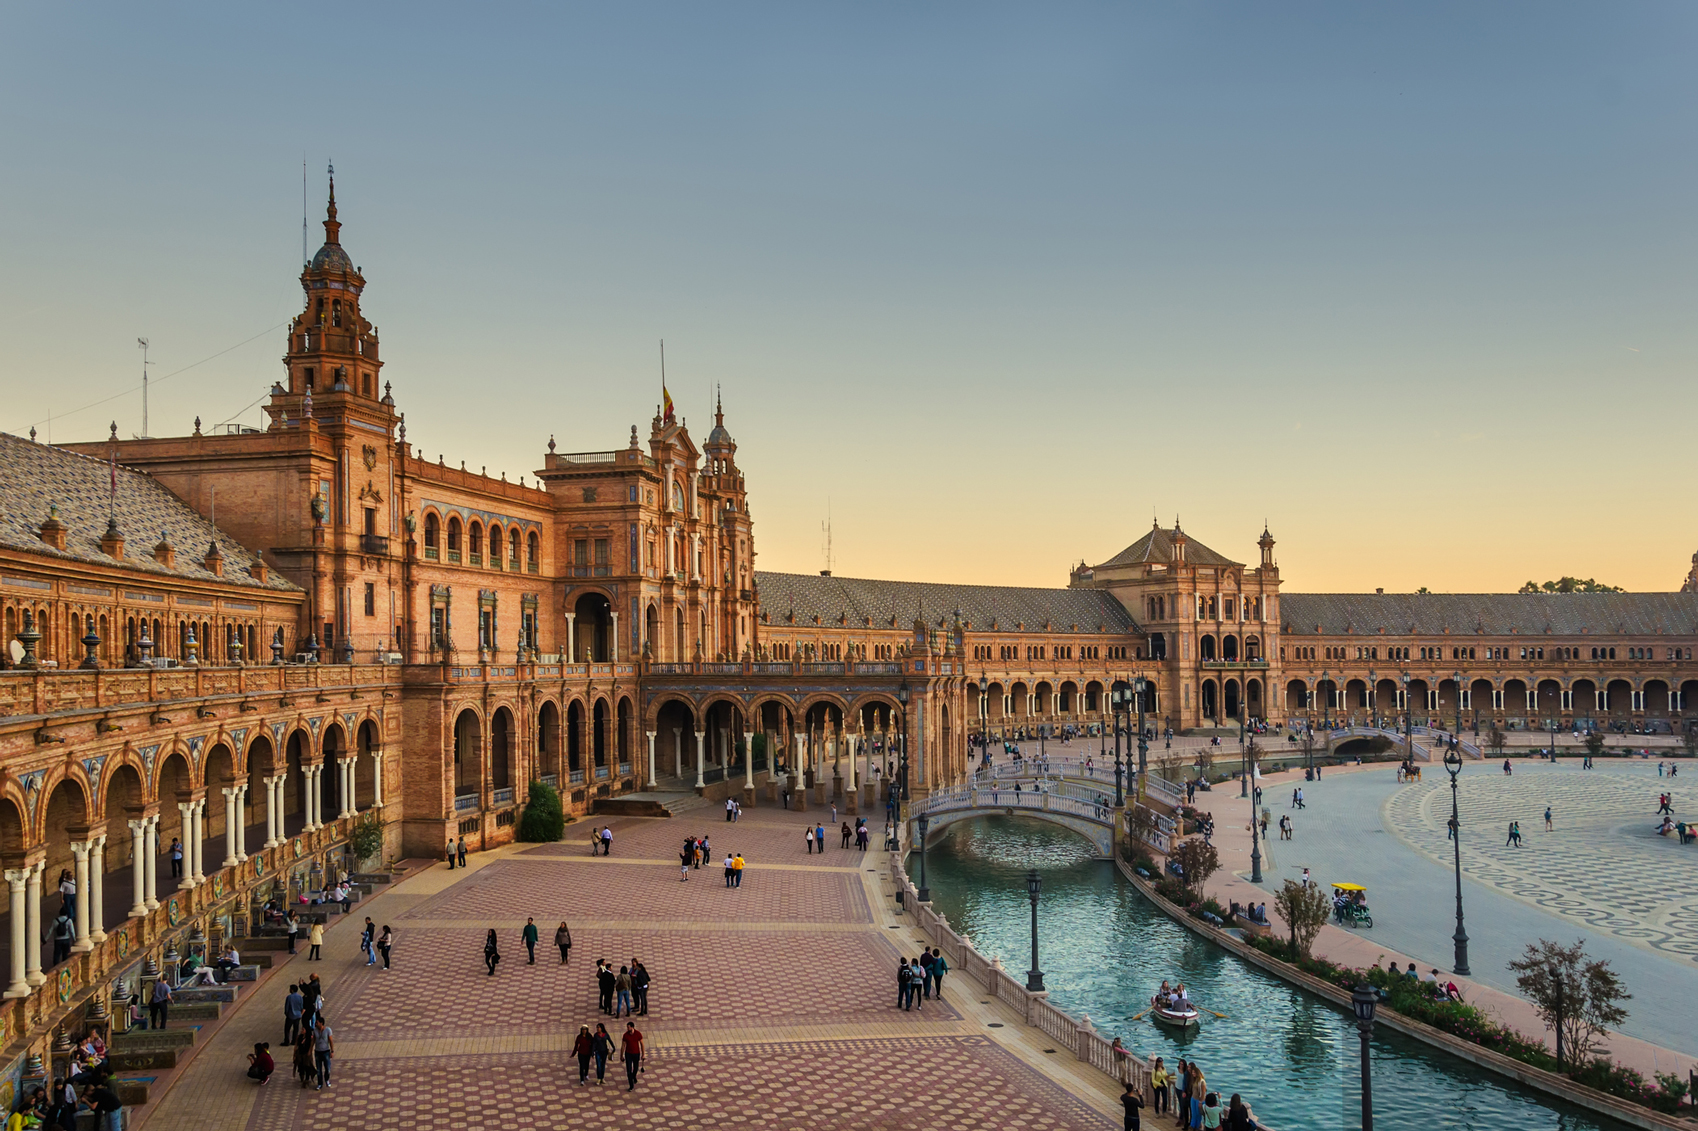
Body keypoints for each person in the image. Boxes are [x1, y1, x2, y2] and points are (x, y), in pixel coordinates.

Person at [311, 1015, 334, 1090]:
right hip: (318, 1052)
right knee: (318, 1069)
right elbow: (313, 1041)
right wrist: (310, 1050)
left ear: (321, 1023)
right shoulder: (315, 1031)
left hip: (326, 1051)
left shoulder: (328, 1030)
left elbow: (330, 1041)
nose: (315, 1024)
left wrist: (332, 1051)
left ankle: (327, 1079)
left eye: (317, 1022)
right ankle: (320, 1083)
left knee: (327, 1068)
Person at [621, 1021, 645, 1090]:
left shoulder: (638, 1034)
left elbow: (642, 1044)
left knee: (636, 1068)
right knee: (628, 1070)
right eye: (627, 1027)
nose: (627, 1028)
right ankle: (631, 1085)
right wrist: (621, 1055)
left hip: (636, 1053)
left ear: (632, 1027)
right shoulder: (625, 1035)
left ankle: (633, 1076)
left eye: (628, 1027)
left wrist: (643, 1054)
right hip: (628, 1054)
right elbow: (623, 1046)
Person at [283, 983, 305, 1047]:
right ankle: (294, 1041)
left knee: (287, 1029)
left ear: (292, 990)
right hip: (298, 1015)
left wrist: (286, 1013)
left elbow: (287, 1007)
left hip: (290, 1015)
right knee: (296, 1029)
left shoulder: (289, 997)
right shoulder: (300, 997)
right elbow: (301, 1006)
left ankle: (287, 1041)